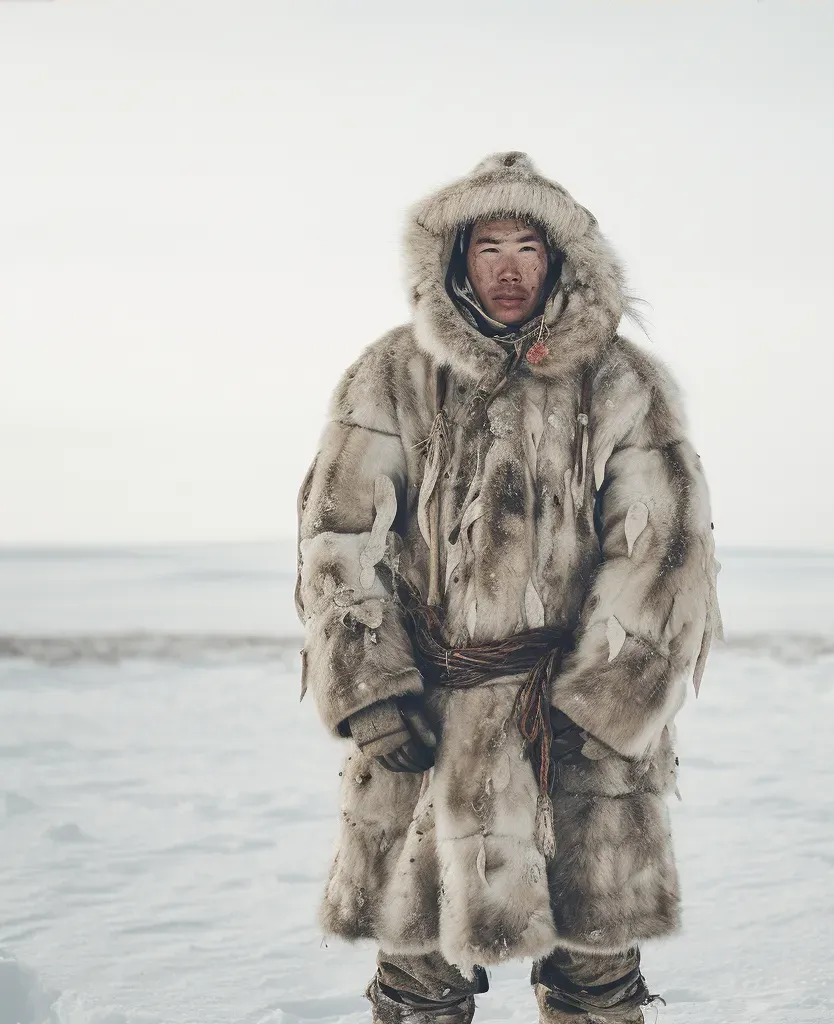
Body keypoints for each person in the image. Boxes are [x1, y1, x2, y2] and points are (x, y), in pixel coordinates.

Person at [294, 152, 723, 1024]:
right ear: (455, 259)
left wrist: (601, 708)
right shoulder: (391, 375)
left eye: (529, 244)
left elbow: (666, 557)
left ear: (562, 259)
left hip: (575, 732)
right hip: (427, 723)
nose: (509, 266)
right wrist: (373, 695)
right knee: (416, 981)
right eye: (489, 244)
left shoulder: (623, 382)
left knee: (597, 981)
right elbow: (339, 539)